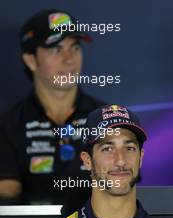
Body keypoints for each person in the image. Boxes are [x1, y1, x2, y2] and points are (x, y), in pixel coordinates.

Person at [26, 104, 173, 218]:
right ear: (87, 160)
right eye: (107, 148)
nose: (120, 160)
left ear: (141, 158)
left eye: (129, 148)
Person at [0, 9, 105, 205]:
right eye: (56, 49)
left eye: (75, 47)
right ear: (31, 60)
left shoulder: (107, 118)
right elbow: (7, 207)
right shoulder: (8, 125)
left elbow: (123, 192)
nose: (69, 59)